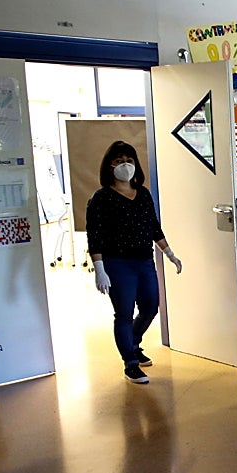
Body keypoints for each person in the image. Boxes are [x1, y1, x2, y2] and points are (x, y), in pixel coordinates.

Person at [86, 141, 182, 384]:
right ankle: (130, 363)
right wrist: (99, 270)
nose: (124, 165)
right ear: (109, 166)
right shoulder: (101, 198)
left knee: (151, 306)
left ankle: (133, 343)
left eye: (128, 160)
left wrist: (170, 254)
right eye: (118, 161)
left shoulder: (143, 194)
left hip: (144, 261)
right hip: (117, 264)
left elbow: (154, 227)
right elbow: (94, 235)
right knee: (124, 313)